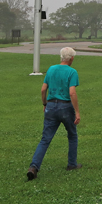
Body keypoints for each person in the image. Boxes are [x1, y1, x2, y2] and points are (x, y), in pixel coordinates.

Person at [27, 47, 81, 179]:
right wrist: (77, 112)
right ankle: (72, 164)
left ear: (61, 57)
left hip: (51, 106)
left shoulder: (51, 69)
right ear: (71, 58)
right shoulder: (72, 72)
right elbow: (72, 93)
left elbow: (43, 89)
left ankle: (34, 167)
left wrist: (45, 104)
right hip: (66, 107)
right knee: (72, 135)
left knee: (45, 139)